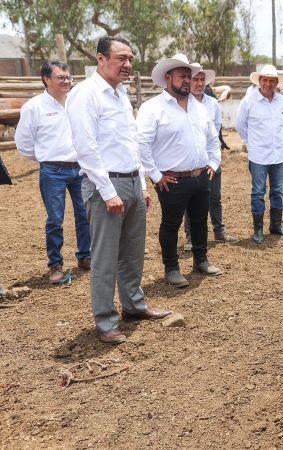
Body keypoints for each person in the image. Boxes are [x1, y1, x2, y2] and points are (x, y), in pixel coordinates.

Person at [67, 36, 171, 345]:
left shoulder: (121, 94)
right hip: (106, 185)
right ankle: (105, 320)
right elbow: (86, 148)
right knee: (105, 256)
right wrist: (108, 190)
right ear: (101, 59)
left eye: (130, 59)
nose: (128, 65)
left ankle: (134, 306)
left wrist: (140, 184)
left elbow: (130, 143)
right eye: (121, 58)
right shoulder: (86, 94)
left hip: (131, 182)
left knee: (132, 251)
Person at [136, 54, 223, 288]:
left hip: (200, 174)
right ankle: (171, 268)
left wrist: (214, 163)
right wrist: (155, 175)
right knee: (171, 223)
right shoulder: (152, 108)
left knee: (199, 220)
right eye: (182, 76)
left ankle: (201, 260)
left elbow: (213, 138)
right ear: (168, 78)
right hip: (171, 179)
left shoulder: (200, 107)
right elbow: (141, 143)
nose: (187, 80)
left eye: (189, 76)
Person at [15, 60, 91, 284]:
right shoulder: (34, 107)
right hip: (53, 170)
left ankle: (85, 256)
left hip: (79, 168)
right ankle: (55, 264)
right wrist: (45, 158)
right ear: (46, 79)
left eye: (68, 77)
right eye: (61, 77)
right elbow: (24, 143)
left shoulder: (77, 103)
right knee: (55, 219)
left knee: (85, 214)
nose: (66, 81)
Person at [182, 64, 238, 252]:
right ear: (189, 81)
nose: (199, 84)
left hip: (210, 156)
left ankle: (219, 230)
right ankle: (190, 236)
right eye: (196, 80)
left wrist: (215, 157)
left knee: (215, 196)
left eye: (202, 80)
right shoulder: (184, 102)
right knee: (191, 199)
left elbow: (215, 131)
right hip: (192, 158)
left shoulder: (212, 103)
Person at [236, 64, 283, 243]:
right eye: (265, 80)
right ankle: (258, 230)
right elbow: (240, 125)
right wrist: (250, 143)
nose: (268, 84)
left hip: (278, 155)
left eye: (272, 81)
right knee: (258, 192)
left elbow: (282, 122)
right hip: (259, 155)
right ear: (259, 81)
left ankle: (275, 225)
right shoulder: (249, 101)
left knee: (277, 191)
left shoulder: (281, 100)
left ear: (276, 82)